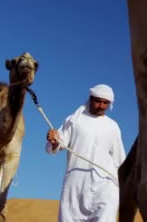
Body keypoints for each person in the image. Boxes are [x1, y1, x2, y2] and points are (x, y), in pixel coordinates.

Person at [46, 84, 126, 222]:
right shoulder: (73, 120)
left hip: (105, 184)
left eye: (105, 102)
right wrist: (54, 141)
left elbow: (119, 158)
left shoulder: (113, 126)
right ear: (90, 99)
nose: (101, 105)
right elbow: (59, 144)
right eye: (98, 101)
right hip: (75, 184)